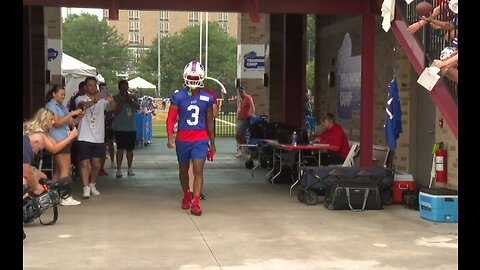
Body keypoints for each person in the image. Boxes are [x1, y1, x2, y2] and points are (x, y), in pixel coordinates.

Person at [166, 60, 216, 216]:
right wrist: (170, 136)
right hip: (183, 138)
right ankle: (186, 193)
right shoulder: (178, 96)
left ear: (201, 78)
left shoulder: (207, 98)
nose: (193, 81)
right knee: (183, 170)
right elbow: (171, 118)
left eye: (196, 78)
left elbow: (209, 120)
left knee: (198, 169)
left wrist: (212, 142)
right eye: (190, 77)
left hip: (200, 138)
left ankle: (196, 202)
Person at [45, 85, 84, 205]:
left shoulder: (61, 106)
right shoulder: (51, 106)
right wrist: (72, 113)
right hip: (58, 139)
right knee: (65, 168)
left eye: (64, 94)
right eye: (61, 94)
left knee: (58, 170)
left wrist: (79, 117)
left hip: (65, 138)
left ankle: (50, 195)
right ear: (54, 94)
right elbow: (56, 123)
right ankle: (64, 196)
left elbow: (70, 122)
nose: (63, 96)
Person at [76, 76, 114, 199]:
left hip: (98, 137)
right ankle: (85, 187)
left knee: (97, 164)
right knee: (84, 163)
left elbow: (113, 108)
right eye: (90, 85)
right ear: (85, 87)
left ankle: (92, 184)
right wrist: (94, 101)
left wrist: (111, 100)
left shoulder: (102, 100)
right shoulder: (80, 98)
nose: (92, 87)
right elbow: (82, 106)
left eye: (94, 85)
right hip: (84, 136)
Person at [111, 79, 140, 178]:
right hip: (119, 128)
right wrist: (122, 102)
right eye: (122, 87)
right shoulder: (115, 98)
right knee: (120, 149)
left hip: (131, 128)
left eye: (126, 86)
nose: (125, 88)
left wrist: (130, 101)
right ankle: (118, 169)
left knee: (130, 150)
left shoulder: (132, 97)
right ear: (119, 88)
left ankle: (130, 168)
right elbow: (115, 111)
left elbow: (137, 107)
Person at [234, 85, 255, 158]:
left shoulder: (248, 98)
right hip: (239, 119)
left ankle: (242, 149)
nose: (240, 93)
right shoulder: (241, 99)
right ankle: (242, 149)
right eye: (239, 91)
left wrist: (252, 114)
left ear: (244, 91)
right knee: (239, 136)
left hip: (245, 119)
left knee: (238, 135)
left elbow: (252, 106)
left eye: (242, 91)